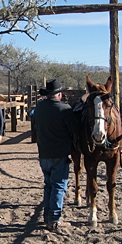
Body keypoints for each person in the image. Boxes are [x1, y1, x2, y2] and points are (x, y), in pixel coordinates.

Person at [33, 79, 79, 232]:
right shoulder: (64, 109)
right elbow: (75, 130)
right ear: (59, 94)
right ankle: (54, 218)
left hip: (43, 153)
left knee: (48, 185)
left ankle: (47, 215)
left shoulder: (39, 108)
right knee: (59, 186)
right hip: (59, 154)